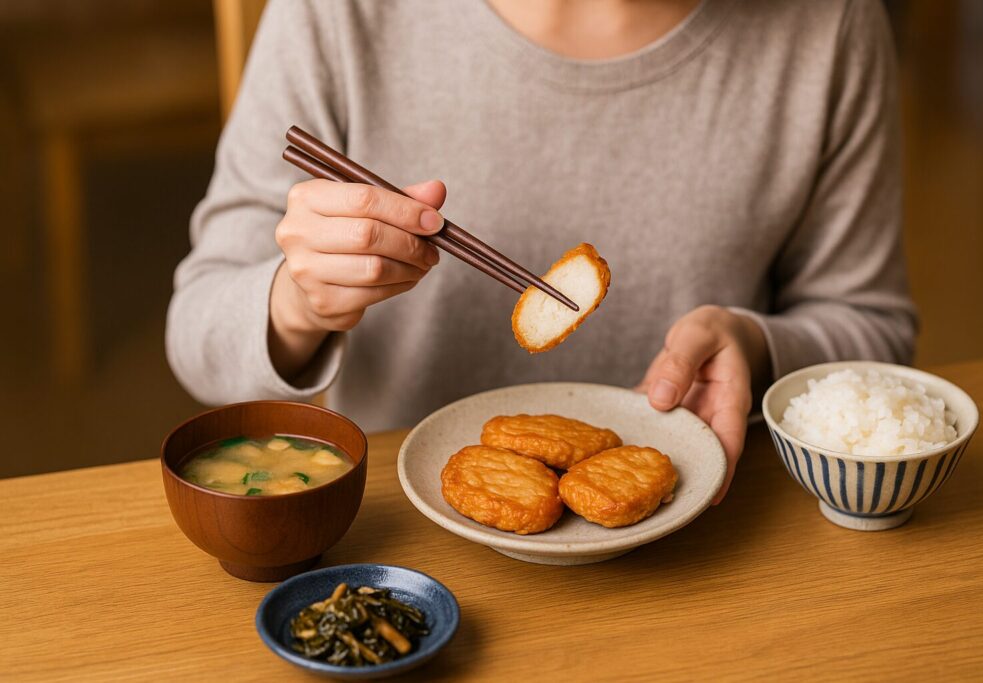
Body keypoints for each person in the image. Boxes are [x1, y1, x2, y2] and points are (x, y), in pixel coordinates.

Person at [167, 0, 916, 503]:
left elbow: (873, 328)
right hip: (402, 549)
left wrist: (757, 346)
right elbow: (196, 334)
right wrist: (297, 304)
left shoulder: (830, 24)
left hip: (702, 538)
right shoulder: (339, 14)